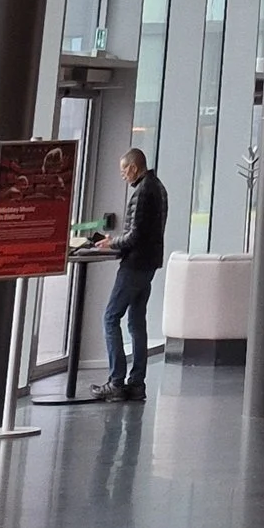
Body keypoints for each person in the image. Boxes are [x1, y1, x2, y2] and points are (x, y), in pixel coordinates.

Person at [97, 147, 166, 401]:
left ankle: (116, 381)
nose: (123, 175)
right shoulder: (158, 187)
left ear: (134, 168)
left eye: (124, 170)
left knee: (110, 317)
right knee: (137, 322)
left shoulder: (143, 191)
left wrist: (111, 242)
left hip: (134, 265)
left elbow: (135, 234)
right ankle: (137, 383)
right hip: (148, 265)